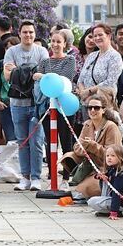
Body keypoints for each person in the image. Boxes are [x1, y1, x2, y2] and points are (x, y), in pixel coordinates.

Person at [4, 20, 48, 191]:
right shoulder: (11, 51)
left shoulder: (42, 51)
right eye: (25, 32)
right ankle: (25, 177)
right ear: (19, 34)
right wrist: (31, 72)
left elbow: (44, 75)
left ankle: (36, 177)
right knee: (22, 141)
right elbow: (8, 76)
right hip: (17, 103)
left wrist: (19, 70)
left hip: (36, 103)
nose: (28, 35)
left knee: (36, 141)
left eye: (31, 32)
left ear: (35, 34)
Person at [60, 94, 122, 198]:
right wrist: (84, 147)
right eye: (89, 108)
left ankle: (101, 188)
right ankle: (81, 180)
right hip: (90, 165)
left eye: (96, 108)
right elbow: (76, 146)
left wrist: (92, 146)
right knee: (68, 156)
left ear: (104, 110)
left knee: (81, 191)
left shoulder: (111, 127)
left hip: (106, 168)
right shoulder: (87, 124)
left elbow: (112, 156)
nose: (92, 110)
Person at [34, 30, 77, 162]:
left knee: (66, 141)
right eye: (53, 41)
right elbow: (36, 77)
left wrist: (45, 77)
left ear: (65, 44)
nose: (55, 44)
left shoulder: (70, 60)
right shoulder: (45, 62)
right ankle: (51, 173)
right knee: (50, 141)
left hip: (65, 104)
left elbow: (65, 78)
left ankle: (66, 175)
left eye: (59, 41)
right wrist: (44, 78)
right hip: (47, 106)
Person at [86, 144, 123, 219]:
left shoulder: (121, 174)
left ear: (120, 157)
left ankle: (119, 211)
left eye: (113, 156)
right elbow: (105, 175)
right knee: (104, 181)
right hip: (117, 199)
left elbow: (117, 193)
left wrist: (113, 212)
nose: (109, 158)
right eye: (107, 155)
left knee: (92, 201)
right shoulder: (113, 169)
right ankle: (111, 210)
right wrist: (99, 176)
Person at [78, 24, 123, 97]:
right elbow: (80, 79)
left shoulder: (115, 56)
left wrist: (88, 91)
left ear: (109, 36)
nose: (97, 38)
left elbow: (109, 82)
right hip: (86, 101)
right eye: (95, 36)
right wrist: (82, 93)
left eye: (100, 35)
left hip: (102, 102)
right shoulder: (91, 56)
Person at [0, 36, 19, 144]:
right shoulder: (0, 64)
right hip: (6, 105)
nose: (9, 51)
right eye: (7, 48)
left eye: (12, 48)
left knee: (22, 137)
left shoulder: (23, 63)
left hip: (21, 104)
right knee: (11, 138)